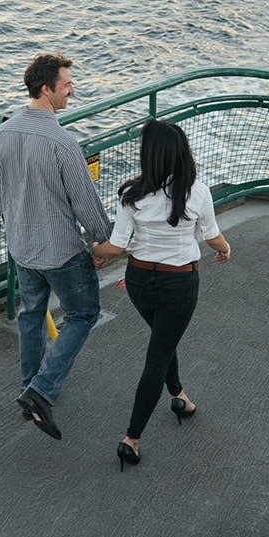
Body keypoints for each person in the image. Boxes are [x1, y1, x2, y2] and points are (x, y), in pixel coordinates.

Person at [92, 119, 231, 470]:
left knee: (162, 340)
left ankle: (179, 396)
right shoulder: (196, 191)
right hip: (179, 284)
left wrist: (96, 249)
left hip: (139, 280)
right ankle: (132, 438)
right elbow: (212, 236)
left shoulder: (131, 194)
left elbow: (117, 246)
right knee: (158, 354)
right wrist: (226, 249)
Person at [0, 52, 112, 441]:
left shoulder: (3, 133)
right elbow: (86, 203)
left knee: (31, 314)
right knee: (83, 313)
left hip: (22, 244)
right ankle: (41, 391)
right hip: (60, 249)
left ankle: (28, 386)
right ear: (46, 89)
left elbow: (2, 192)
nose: (72, 90)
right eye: (66, 84)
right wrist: (103, 241)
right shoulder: (62, 142)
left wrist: (14, 232)